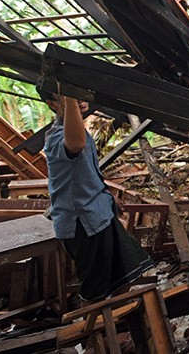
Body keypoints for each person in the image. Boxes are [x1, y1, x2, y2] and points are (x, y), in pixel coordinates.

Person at [39, 87, 153, 303]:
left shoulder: (81, 131)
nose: (79, 99)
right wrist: (69, 97)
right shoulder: (56, 139)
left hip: (100, 213)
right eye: (69, 97)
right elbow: (75, 144)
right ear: (53, 104)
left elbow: (83, 173)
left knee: (127, 274)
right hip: (84, 224)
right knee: (96, 291)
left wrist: (107, 194)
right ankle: (93, 330)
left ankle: (118, 323)